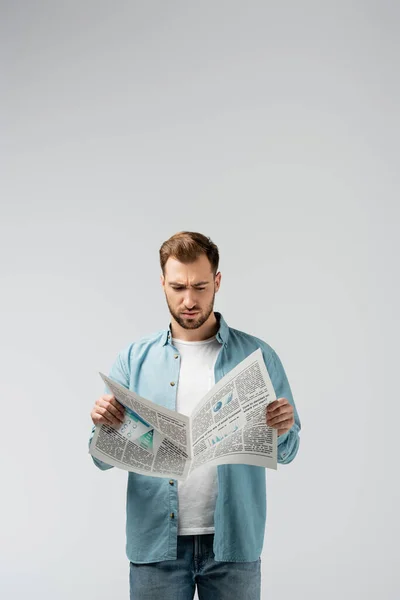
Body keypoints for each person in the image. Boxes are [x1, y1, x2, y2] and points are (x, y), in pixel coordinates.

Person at [89, 231, 301, 600]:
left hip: (234, 544)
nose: (189, 300)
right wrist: (104, 427)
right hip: (156, 545)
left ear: (217, 282)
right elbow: (100, 460)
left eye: (200, 287)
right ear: (162, 284)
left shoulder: (258, 357)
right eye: (178, 287)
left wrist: (282, 429)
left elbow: (288, 450)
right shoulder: (134, 360)